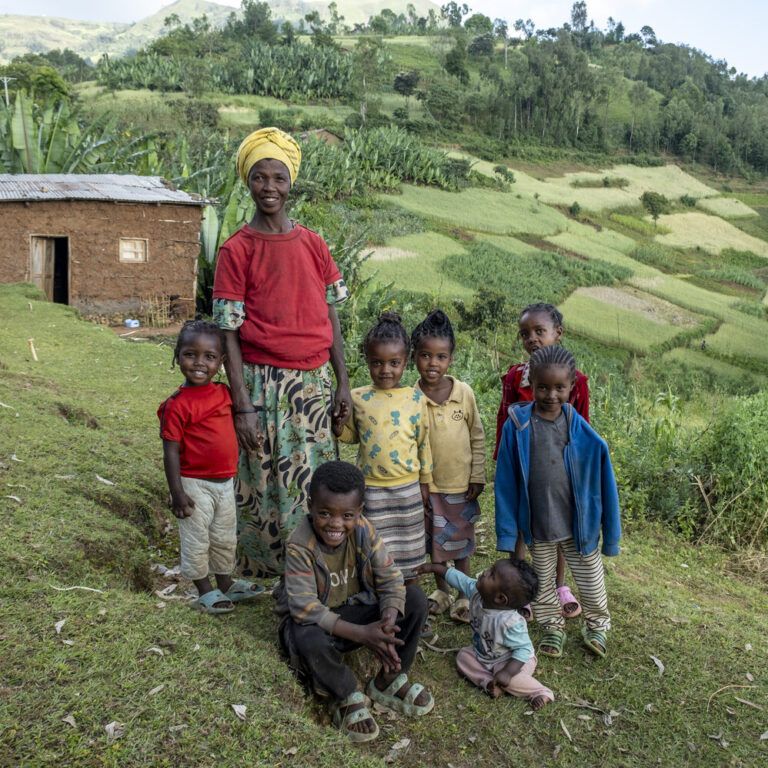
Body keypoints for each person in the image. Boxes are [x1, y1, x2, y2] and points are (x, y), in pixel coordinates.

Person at [212, 126, 351, 579]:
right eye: (258, 177)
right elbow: (228, 333)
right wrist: (242, 405)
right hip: (260, 382)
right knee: (262, 478)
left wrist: (343, 385)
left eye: (278, 177)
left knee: (312, 481)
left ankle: (311, 566)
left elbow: (332, 321)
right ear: (247, 182)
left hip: (312, 383)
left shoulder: (314, 244)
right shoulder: (236, 249)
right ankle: (265, 569)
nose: (269, 187)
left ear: (291, 182)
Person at [276, 461, 434, 743]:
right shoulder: (300, 545)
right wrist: (364, 634)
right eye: (325, 513)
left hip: (356, 614)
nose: (335, 524)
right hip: (323, 627)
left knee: (415, 599)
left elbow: (391, 579)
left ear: (359, 512)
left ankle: (388, 678)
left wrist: (386, 621)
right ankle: (345, 694)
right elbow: (304, 608)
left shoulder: (364, 530)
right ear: (311, 506)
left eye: (346, 515)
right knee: (303, 633)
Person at [495, 345, 621, 659]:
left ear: (571, 388)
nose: (551, 394)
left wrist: (611, 534)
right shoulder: (517, 426)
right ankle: (552, 625)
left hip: (579, 528)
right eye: (543, 387)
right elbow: (505, 483)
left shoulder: (583, 433)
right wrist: (509, 533)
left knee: (591, 581)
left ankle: (597, 626)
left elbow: (604, 484)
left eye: (559, 388)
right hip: (538, 526)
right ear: (531, 385)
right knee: (542, 580)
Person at [158, 321, 264, 614]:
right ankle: (205, 591)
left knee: (223, 536)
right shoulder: (175, 405)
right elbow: (170, 453)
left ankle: (226, 583)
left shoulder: (224, 393)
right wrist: (177, 493)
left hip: (225, 483)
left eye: (209, 357)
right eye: (191, 354)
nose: (200, 363)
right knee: (197, 538)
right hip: (194, 484)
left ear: (221, 361)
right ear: (177, 356)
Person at [493, 303, 590, 623]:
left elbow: (583, 427)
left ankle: (558, 588)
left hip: (559, 471)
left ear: (557, 334)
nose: (532, 338)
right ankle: (519, 587)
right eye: (525, 334)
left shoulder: (577, 380)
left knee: (557, 528)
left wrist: (580, 470)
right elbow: (503, 418)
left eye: (539, 331)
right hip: (523, 470)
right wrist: (501, 459)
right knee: (521, 526)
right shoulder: (514, 377)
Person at [332, 311, 432, 583]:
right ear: (367, 361)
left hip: (407, 487)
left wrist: (425, 482)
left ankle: (410, 592)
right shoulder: (357, 397)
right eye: (377, 363)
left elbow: (423, 444)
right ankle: (375, 593)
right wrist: (340, 427)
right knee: (375, 545)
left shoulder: (415, 398)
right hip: (372, 488)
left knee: (410, 546)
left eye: (394, 363)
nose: (385, 370)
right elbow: (352, 436)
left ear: (405, 362)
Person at [411, 309, 485, 624]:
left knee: (461, 543)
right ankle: (441, 590)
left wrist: (478, 474)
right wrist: (418, 481)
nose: (433, 363)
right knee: (434, 542)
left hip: (460, 486)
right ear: (414, 357)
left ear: (451, 359)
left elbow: (477, 436)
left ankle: (464, 593)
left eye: (441, 356)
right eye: (425, 355)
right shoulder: (410, 398)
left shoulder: (464, 393)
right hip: (427, 487)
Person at [414, 559, 553, 709]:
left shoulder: (509, 623)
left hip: (514, 661)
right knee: (463, 657)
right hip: (485, 656)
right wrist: (433, 567)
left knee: (509, 678)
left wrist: (507, 672)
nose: (485, 572)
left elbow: (524, 650)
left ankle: (540, 692)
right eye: (490, 569)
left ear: (500, 598)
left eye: (492, 575)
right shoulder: (476, 592)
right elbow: (458, 578)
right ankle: (489, 682)